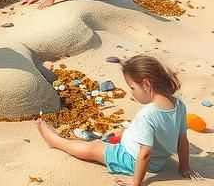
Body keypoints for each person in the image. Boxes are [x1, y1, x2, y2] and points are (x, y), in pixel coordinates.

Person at [34, 55, 198, 184]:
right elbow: (182, 139)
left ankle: (55, 141)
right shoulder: (178, 104)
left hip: (131, 159)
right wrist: (184, 167)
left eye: (132, 88)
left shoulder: (148, 114)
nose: (132, 93)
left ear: (146, 85)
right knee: (127, 131)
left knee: (93, 147)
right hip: (159, 159)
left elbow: (145, 154)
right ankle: (119, 138)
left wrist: (136, 181)